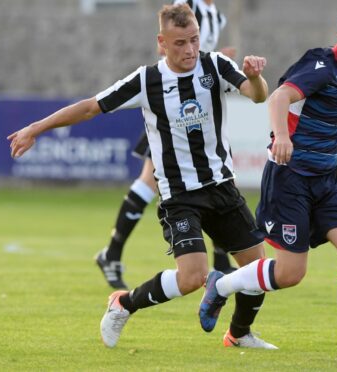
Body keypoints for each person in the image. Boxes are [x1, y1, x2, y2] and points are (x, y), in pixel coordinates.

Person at [8, 4, 276, 349]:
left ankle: (239, 335)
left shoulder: (215, 65)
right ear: (161, 42)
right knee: (193, 277)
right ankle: (123, 304)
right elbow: (91, 106)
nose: (190, 50)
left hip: (222, 186)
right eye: (180, 43)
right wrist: (36, 127)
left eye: (194, 40)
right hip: (180, 196)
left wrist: (254, 76)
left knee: (257, 271)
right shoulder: (147, 80)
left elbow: (257, 96)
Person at [198, 2, 337, 361]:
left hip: (329, 178)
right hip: (292, 179)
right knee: (290, 273)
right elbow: (279, 96)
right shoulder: (320, 65)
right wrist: (281, 136)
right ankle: (221, 284)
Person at [95, 0, 237, 290]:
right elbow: (167, 48)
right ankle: (112, 253)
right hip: (173, 111)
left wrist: (215, 58)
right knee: (151, 182)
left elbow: (200, 59)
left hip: (199, 112)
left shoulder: (217, 17)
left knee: (212, 177)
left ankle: (220, 264)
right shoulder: (185, 6)